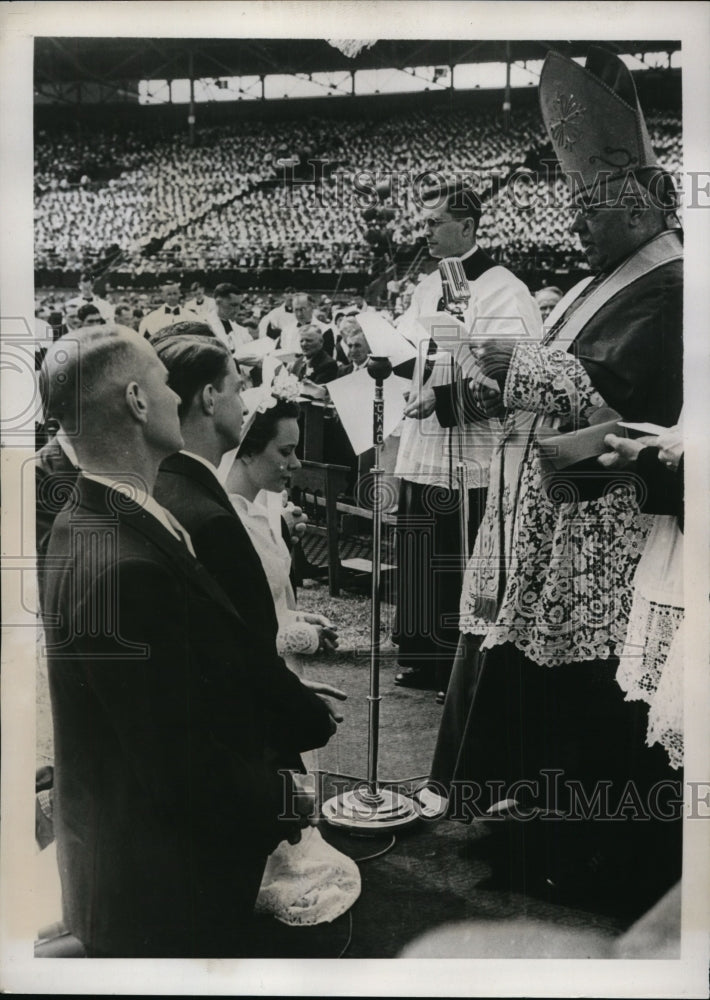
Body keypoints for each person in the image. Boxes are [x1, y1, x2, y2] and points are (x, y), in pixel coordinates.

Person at [429, 47, 683, 910]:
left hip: (608, 526)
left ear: (646, 200)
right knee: (538, 678)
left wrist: (510, 360)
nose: (576, 220)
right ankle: (533, 813)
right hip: (547, 513)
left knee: (586, 692)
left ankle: (580, 848)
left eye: (592, 203)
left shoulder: (675, 285)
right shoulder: (595, 279)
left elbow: (616, 387)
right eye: (573, 203)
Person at [39, 325, 334, 957]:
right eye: (167, 384)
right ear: (139, 402)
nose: (180, 398)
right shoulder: (124, 563)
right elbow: (176, 763)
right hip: (160, 887)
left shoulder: (92, 518)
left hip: (136, 867)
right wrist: (286, 798)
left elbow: (178, 676)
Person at [391, 180, 541, 702]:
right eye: (424, 222)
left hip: (471, 443)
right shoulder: (428, 284)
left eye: (433, 223)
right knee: (419, 543)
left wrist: (445, 397)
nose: (424, 232)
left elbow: (512, 379)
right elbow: (414, 347)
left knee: (459, 550)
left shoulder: (504, 288)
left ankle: (459, 661)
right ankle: (421, 654)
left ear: (468, 226)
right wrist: (385, 357)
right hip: (424, 438)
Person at [207, 282, 252, 354]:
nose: (237, 310)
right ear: (218, 302)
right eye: (233, 305)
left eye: (239, 306)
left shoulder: (241, 330)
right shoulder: (205, 326)